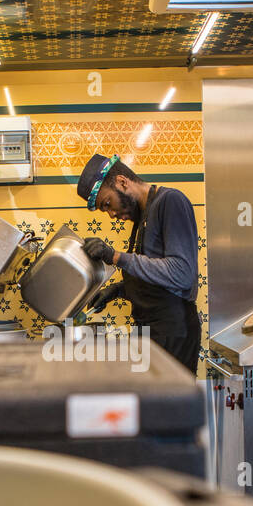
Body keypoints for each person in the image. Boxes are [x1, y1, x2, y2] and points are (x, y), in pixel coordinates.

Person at [74, 153, 201, 373]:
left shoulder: (170, 202)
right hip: (151, 332)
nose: (112, 214)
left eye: (108, 203)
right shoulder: (143, 216)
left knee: (167, 406)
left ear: (122, 181)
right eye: (106, 210)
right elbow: (155, 275)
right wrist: (119, 290)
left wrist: (115, 257)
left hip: (173, 332)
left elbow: (181, 274)